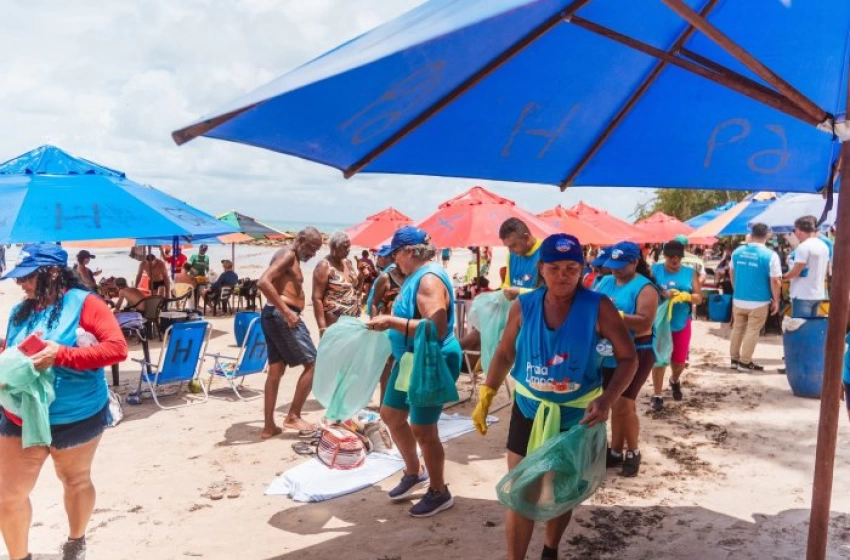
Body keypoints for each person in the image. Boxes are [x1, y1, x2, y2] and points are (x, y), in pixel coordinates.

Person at [471, 234, 637, 559]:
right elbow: (505, 353)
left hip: (577, 416)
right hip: (529, 409)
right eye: (555, 267)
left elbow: (628, 358)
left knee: (561, 492)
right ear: (542, 268)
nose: (563, 274)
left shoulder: (598, 307)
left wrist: (607, 400)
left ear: (582, 269)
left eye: (572, 267)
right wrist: (487, 393)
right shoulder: (525, 304)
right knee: (522, 489)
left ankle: (550, 549)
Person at [0, 243, 128, 560]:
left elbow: (117, 349)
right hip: (21, 414)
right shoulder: (20, 311)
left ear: (54, 272)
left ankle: (76, 541)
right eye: (19, 277)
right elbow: (15, 350)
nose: (20, 283)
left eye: (28, 276)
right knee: (8, 494)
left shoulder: (87, 304)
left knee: (75, 480)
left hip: (76, 415)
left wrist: (61, 354)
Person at [367, 226, 462, 517]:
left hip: (429, 360)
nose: (393, 262)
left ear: (409, 251)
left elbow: (436, 327)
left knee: (423, 428)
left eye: (395, 255)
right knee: (391, 414)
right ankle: (414, 471)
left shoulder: (428, 280)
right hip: (409, 358)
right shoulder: (414, 276)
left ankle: (438, 490)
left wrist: (391, 322)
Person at [595, 241, 659, 477]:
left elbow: (644, 321)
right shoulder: (605, 282)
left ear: (635, 262)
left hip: (638, 351)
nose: (615, 269)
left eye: (621, 265)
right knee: (612, 403)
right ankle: (615, 450)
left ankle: (633, 451)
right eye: (613, 265)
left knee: (624, 403)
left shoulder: (646, 288)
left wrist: (615, 316)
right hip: (608, 350)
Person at [257, 227, 324, 439]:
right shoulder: (288, 255)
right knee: (314, 363)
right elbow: (263, 282)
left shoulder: (286, 255)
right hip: (281, 315)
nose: (313, 254)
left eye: (317, 250)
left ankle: (269, 426)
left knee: (276, 371)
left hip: (272, 314)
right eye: (312, 248)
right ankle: (293, 416)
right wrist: (287, 312)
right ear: (301, 240)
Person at [650, 240, 702, 410]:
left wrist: (686, 297)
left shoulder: (689, 273)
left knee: (679, 361)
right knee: (659, 359)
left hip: (681, 322)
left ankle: (674, 380)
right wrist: (662, 293)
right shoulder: (655, 270)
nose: (674, 260)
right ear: (665, 256)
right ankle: (657, 395)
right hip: (660, 322)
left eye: (678, 256)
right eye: (671, 256)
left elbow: (698, 297)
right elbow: (646, 290)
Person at [728, 223, 782, 372]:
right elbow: (775, 280)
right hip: (759, 300)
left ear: (751, 234)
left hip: (739, 298)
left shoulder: (737, 251)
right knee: (752, 330)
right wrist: (776, 300)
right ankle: (744, 362)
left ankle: (734, 359)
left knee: (737, 328)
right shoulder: (770, 255)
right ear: (768, 236)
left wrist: (736, 288)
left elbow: (731, 272)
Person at [313, 232, 362, 335]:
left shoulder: (348, 263)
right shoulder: (324, 266)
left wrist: (362, 275)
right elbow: (316, 298)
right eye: (344, 247)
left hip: (352, 319)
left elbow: (354, 288)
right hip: (334, 320)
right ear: (334, 247)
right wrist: (322, 327)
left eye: (349, 247)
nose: (348, 250)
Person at [785, 215, 830, 318]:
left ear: (798, 230)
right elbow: (826, 270)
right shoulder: (824, 246)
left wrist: (783, 277)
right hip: (817, 293)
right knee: (811, 327)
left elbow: (796, 271)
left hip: (802, 294)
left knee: (800, 327)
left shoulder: (803, 247)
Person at [499, 218, 542, 298]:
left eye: (513, 245)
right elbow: (507, 285)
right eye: (508, 247)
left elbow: (549, 294)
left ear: (527, 238)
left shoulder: (546, 252)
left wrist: (519, 292)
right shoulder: (511, 256)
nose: (511, 251)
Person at [368, 246, 405, 319]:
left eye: (380, 256)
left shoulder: (392, 271)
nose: (378, 259)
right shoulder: (387, 271)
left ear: (389, 257)